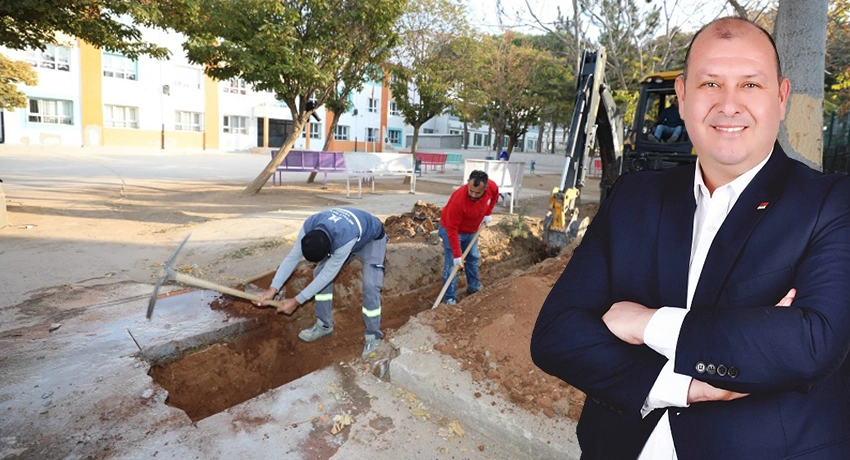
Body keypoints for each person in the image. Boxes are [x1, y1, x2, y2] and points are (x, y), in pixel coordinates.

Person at [531, 17, 850, 460]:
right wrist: (686, 386)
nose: (729, 105)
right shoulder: (633, 198)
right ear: (682, 97)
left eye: (751, 86)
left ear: (781, 97)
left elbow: (813, 342)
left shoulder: (831, 203)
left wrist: (647, 323)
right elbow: (556, 334)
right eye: (710, 84)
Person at [255, 207, 387, 359]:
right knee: (318, 272)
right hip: (348, 235)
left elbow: (328, 275)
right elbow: (292, 258)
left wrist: (296, 301)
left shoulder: (343, 241)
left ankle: (373, 336)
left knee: (370, 285)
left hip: (371, 239)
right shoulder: (309, 227)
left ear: (330, 250)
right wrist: (272, 289)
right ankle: (324, 325)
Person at [438, 170, 499, 305]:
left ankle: (473, 286)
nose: (473, 194)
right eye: (471, 190)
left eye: (478, 192)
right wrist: (457, 255)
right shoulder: (458, 201)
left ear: (486, 188)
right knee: (451, 265)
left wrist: (488, 213)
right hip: (452, 231)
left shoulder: (492, 187)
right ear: (468, 184)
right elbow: (452, 229)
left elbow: (495, 196)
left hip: (471, 230)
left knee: (473, 257)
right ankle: (450, 298)